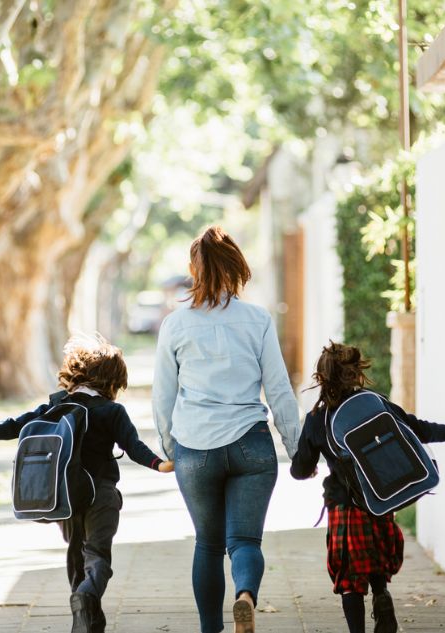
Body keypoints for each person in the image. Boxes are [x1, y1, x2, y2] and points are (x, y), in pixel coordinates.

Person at [0, 336, 174, 633]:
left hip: (64, 494)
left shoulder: (56, 406)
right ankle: (86, 597)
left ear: (77, 373)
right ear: (112, 381)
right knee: (97, 556)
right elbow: (134, 446)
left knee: (76, 552)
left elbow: (11, 426)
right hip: (100, 494)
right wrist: (160, 464)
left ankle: (87, 620)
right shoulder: (111, 411)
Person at [153, 226, 301, 633]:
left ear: (193, 270)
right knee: (245, 542)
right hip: (251, 444)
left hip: (195, 448)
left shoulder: (175, 325)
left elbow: (163, 398)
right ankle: (245, 597)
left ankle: (211, 630)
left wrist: (170, 449)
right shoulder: (257, 320)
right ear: (238, 267)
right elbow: (279, 389)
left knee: (208, 543)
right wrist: (296, 446)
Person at [289, 342, 445, 633]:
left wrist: (307, 466)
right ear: (357, 373)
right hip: (379, 498)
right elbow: (415, 427)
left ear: (321, 378)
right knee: (375, 557)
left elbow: (299, 470)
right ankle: (382, 596)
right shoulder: (374, 401)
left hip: (345, 505)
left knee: (349, 577)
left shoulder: (316, 419)